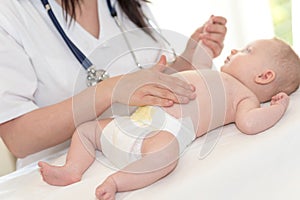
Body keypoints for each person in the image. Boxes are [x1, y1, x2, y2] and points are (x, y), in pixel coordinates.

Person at [38, 38, 300, 200]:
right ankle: (72, 169)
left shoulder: (244, 96)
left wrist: (277, 108)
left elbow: (250, 123)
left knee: (167, 153)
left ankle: (118, 180)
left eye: (247, 50)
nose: (234, 49)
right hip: (135, 119)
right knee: (86, 129)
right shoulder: (214, 74)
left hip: (162, 131)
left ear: (264, 77)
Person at [0, 0, 227, 167]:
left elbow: (144, 81)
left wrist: (186, 62)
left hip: (148, 156)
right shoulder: (10, 13)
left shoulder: (124, 5)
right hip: (65, 176)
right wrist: (109, 91)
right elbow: (19, 139)